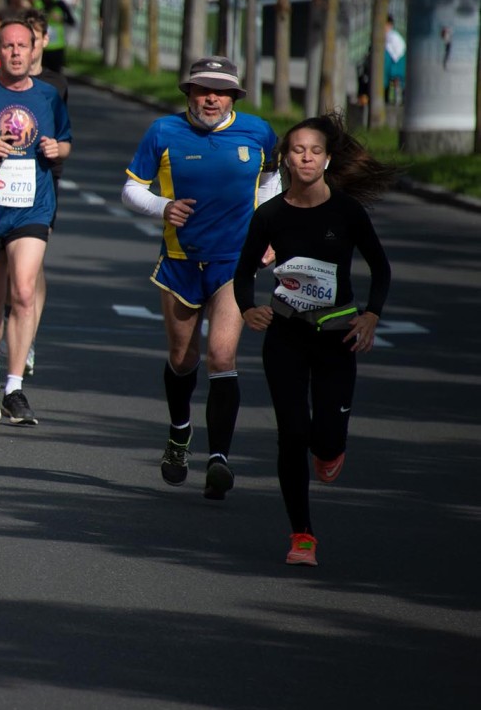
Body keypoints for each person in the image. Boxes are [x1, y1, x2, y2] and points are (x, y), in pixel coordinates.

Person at [234, 113, 393, 566]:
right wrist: (248, 308)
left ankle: (330, 450)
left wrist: (371, 315)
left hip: (337, 338)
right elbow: (243, 273)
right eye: (298, 150)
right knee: (292, 435)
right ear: (286, 158)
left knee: (325, 439)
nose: (306, 157)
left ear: (326, 160)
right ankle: (302, 535)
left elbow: (380, 268)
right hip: (285, 334)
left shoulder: (347, 212)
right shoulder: (270, 215)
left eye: (315, 151)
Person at [121, 57, 279, 500]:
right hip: (180, 261)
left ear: (234, 97)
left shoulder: (259, 132)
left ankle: (219, 460)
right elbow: (131, 189)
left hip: (234, 263)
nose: (212, 98)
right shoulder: (163, 132)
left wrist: (268, 230)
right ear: (189, 93)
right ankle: (179, 433)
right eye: (203, 90)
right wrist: (163, 207)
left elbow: (273, 179)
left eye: (221, 91)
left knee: (221, 357)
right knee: (182, 357)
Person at [0, 18, 71, 425]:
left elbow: (66, 142)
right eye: (8, 46)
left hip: (32, 207)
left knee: (23, 291)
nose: (16, 52)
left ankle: (14, 387)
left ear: (35, 48)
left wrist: (57, 149)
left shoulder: (49, 95)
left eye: (23, 45)